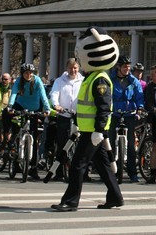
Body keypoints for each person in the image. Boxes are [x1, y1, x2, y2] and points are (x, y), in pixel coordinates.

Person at [51, 27, 123, 212]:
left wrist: (99, 130)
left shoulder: (99, 79)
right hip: (89, 130)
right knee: (103, 166)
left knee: (77, 165)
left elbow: (104, 107)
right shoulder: (92, 77)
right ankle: (115, 197)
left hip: (93, 132)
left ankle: (70, 201)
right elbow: (86, 105)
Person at [7, 63, 51, 180]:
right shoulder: (19, 81)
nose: (29, 75)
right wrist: (10, 106)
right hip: (20, 106)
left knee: (35, 137)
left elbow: (43, 95)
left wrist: (47, 108)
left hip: (35, 108)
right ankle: (14, 158)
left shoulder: (37, 81)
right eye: (26, 73)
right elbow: (14, 93)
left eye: (31, 73)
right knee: (16, 129)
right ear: (22, 73)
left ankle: (33, 168)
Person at [108, 56, 144, 183]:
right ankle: (110, 171)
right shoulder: (110, 79)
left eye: (129, 67)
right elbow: (106, 95)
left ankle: (132, 173)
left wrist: (140, 108)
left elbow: (139, 96)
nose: (127, 69)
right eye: (125, 67)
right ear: (118, 67)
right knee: (110, 142)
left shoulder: (133, 81)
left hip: (129, 113)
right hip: (113, 113)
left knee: (131, 144)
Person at [48, 58, 84, 181]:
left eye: (75, 68)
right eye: (70, 68)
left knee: (81, 144)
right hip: (64, 115)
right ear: (66, 68)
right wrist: (56, 105)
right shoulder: (59, 81)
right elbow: (54, 94)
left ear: (78, 68)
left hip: (79, 116)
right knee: (62, 144)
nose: (73, 70)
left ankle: (83, 172)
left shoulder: (83, 81)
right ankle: (59, 172)